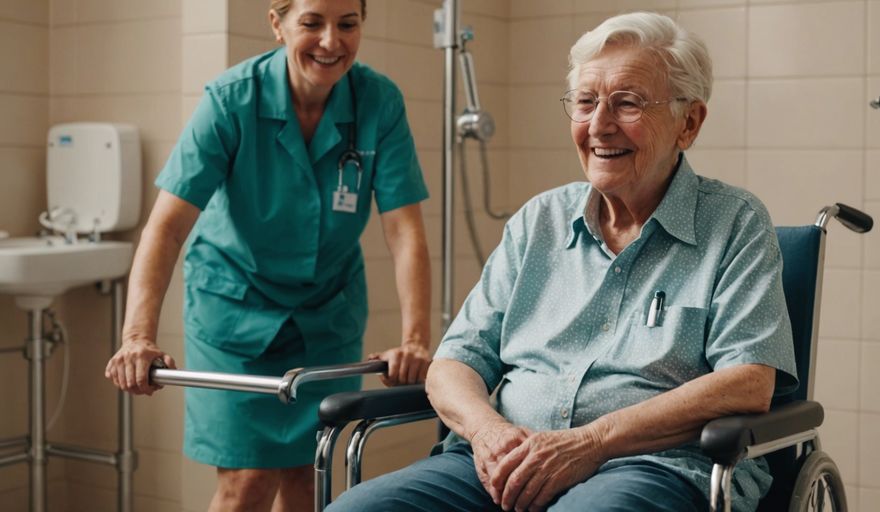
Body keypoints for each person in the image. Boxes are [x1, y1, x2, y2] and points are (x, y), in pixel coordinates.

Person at [331, 11, 798, 512]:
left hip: (652, 467)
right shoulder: (540, 221)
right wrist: (490, 435)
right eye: (585, 102)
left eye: (628, 103)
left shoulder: (734, 223)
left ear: (689, 122)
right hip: (498, 463)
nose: (599, 125)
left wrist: (589, 443)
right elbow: (453, 363)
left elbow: (748, 381)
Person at [103, 0, 433, 510]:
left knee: (309, 478)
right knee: (246, 484)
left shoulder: (378, 101)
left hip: (326, 315)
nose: (331, 41)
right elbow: (166, 228)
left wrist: (415, 340)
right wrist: (136, 338)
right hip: (235, 312)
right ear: (277, 24)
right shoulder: (231, 101)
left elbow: (405, 231)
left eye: (348, 24)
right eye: (311, 23)